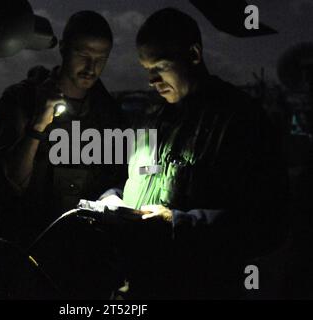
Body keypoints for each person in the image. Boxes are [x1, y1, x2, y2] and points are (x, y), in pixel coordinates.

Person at [110, 8, 288, 299]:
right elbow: (140, 180)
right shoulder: (154, 121)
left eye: (160, 67)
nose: (152, 81)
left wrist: (177, 222)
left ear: (193, 55)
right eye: (147, 70)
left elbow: (269, 225)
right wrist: (113, 197)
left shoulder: (241, 121)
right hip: (140, 286)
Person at [0, 11, 125, 298]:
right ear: (63, 48)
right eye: (83, 54)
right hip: (24, 263)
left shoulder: (110, 115)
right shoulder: (21, 100)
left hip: (81, 270)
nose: (91, 67)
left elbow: (120, 182)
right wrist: (37, 126)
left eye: (101, 58)